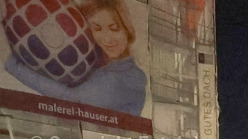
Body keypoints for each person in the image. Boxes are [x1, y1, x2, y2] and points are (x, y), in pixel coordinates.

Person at [4, 0, 148, 116]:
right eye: (97, 29)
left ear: (126, 30)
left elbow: (70, 98)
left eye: (114, 28)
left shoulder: (125, 78)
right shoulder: (105, 67)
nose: (107, 39)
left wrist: (12, 65)